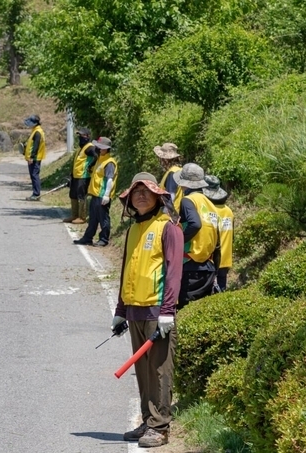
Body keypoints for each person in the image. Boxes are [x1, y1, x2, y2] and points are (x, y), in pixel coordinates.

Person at [112, 172, 183, 449]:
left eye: (146, 190)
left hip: (157, 311)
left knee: (160, 371)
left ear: (158, 195)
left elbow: (174, 272)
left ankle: (160, 427)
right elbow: (126, 271)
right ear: (129, 198)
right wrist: (120, 310)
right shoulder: (132, 231)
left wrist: (168, 310)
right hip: (134, 312)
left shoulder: (168, 228)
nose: (140, 195)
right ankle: (147, 420)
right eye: (135, 191)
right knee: (142, 371)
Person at [174, 163, 220, 308]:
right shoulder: (211, 204)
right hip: (208, 267)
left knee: (183, 310)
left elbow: (195, 224)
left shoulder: (188, 200)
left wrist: (178, 240)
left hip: (189, 266)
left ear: (184, 185)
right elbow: (217, 243)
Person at [73, 137, 117, 246]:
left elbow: (110, 179)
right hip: (95, 194)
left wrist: (106, 195)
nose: (98, 149)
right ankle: (87, 238)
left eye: (100, 147)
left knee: (103, 219)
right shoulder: (99, 159)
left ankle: (104, 239)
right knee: (93, 218)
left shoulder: (109, 162)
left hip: (102, 195)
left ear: (106, 149)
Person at [203, 175, 233, 291]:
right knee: (221, 292)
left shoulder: (207, 212)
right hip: (225, 260)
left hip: (210, 262)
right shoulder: (228, 211)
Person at [63, 127, 97, 224]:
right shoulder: (80, 148)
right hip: (76, 176)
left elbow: (97, 156)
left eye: (83, 135)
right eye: (79, 135)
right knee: (73, 195)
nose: (81, 137)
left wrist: (90, 166)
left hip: (84, 176)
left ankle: (82, 217)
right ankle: (74, 215)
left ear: (88, 136)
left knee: (81, 196)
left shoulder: (90, 147)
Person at [154, 143, 183, 212]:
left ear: (165, 160)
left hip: (175, 215)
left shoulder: (172, 173)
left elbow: (171, 197)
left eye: (161, 159)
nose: (160, 161)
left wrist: (164, 214)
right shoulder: (180, 170)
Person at [23, 114, 46, 201]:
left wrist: (32, 157)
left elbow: (36, 146)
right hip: (34, 157)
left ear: (35, 123)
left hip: (35, 158)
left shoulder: (37, 132)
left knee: (34, 175)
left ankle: (36, 194)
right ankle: (35, 193)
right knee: (33, 175)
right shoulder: (36, 130)